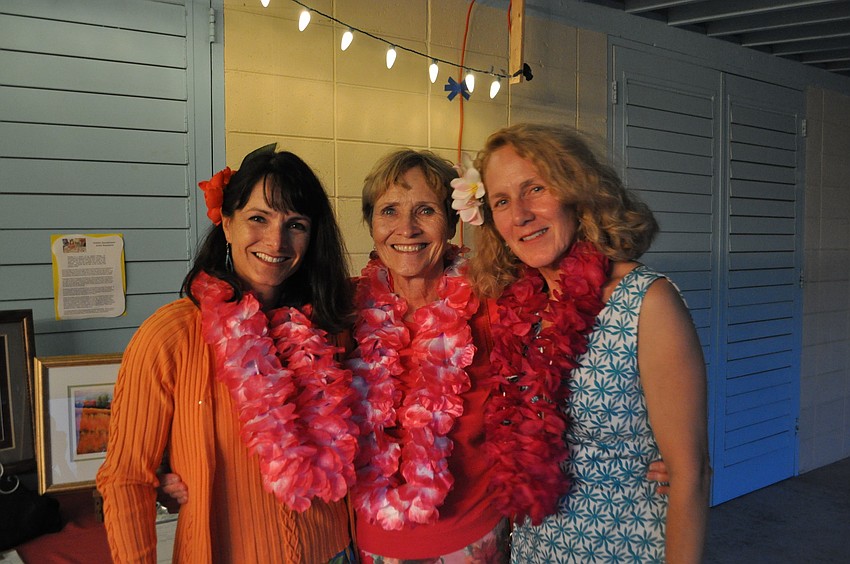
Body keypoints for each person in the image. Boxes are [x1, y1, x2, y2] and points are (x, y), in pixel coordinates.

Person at [96, 144, 358, 563]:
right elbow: (126, 479)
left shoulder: (332, 327)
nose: (276, 240)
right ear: (227, 224)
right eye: (258, 218)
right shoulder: (171, 336)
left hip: (335, 552)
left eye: (296, 224)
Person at [464, 123, 712, 563]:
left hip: (624, 548)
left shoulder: (646, 303)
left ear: (577, 191)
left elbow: (691, 477)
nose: (520, 214)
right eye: (501, 201)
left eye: (535, 189)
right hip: (536, 550)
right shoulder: (519, 311)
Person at [349, 149, 509, 562]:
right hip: (372, 541)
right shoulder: (343, 308)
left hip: (472, 540)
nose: (407, 228)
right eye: (389, 211)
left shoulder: (492, 304)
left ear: (452, 223)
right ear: (371, 224)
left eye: (426, 210)